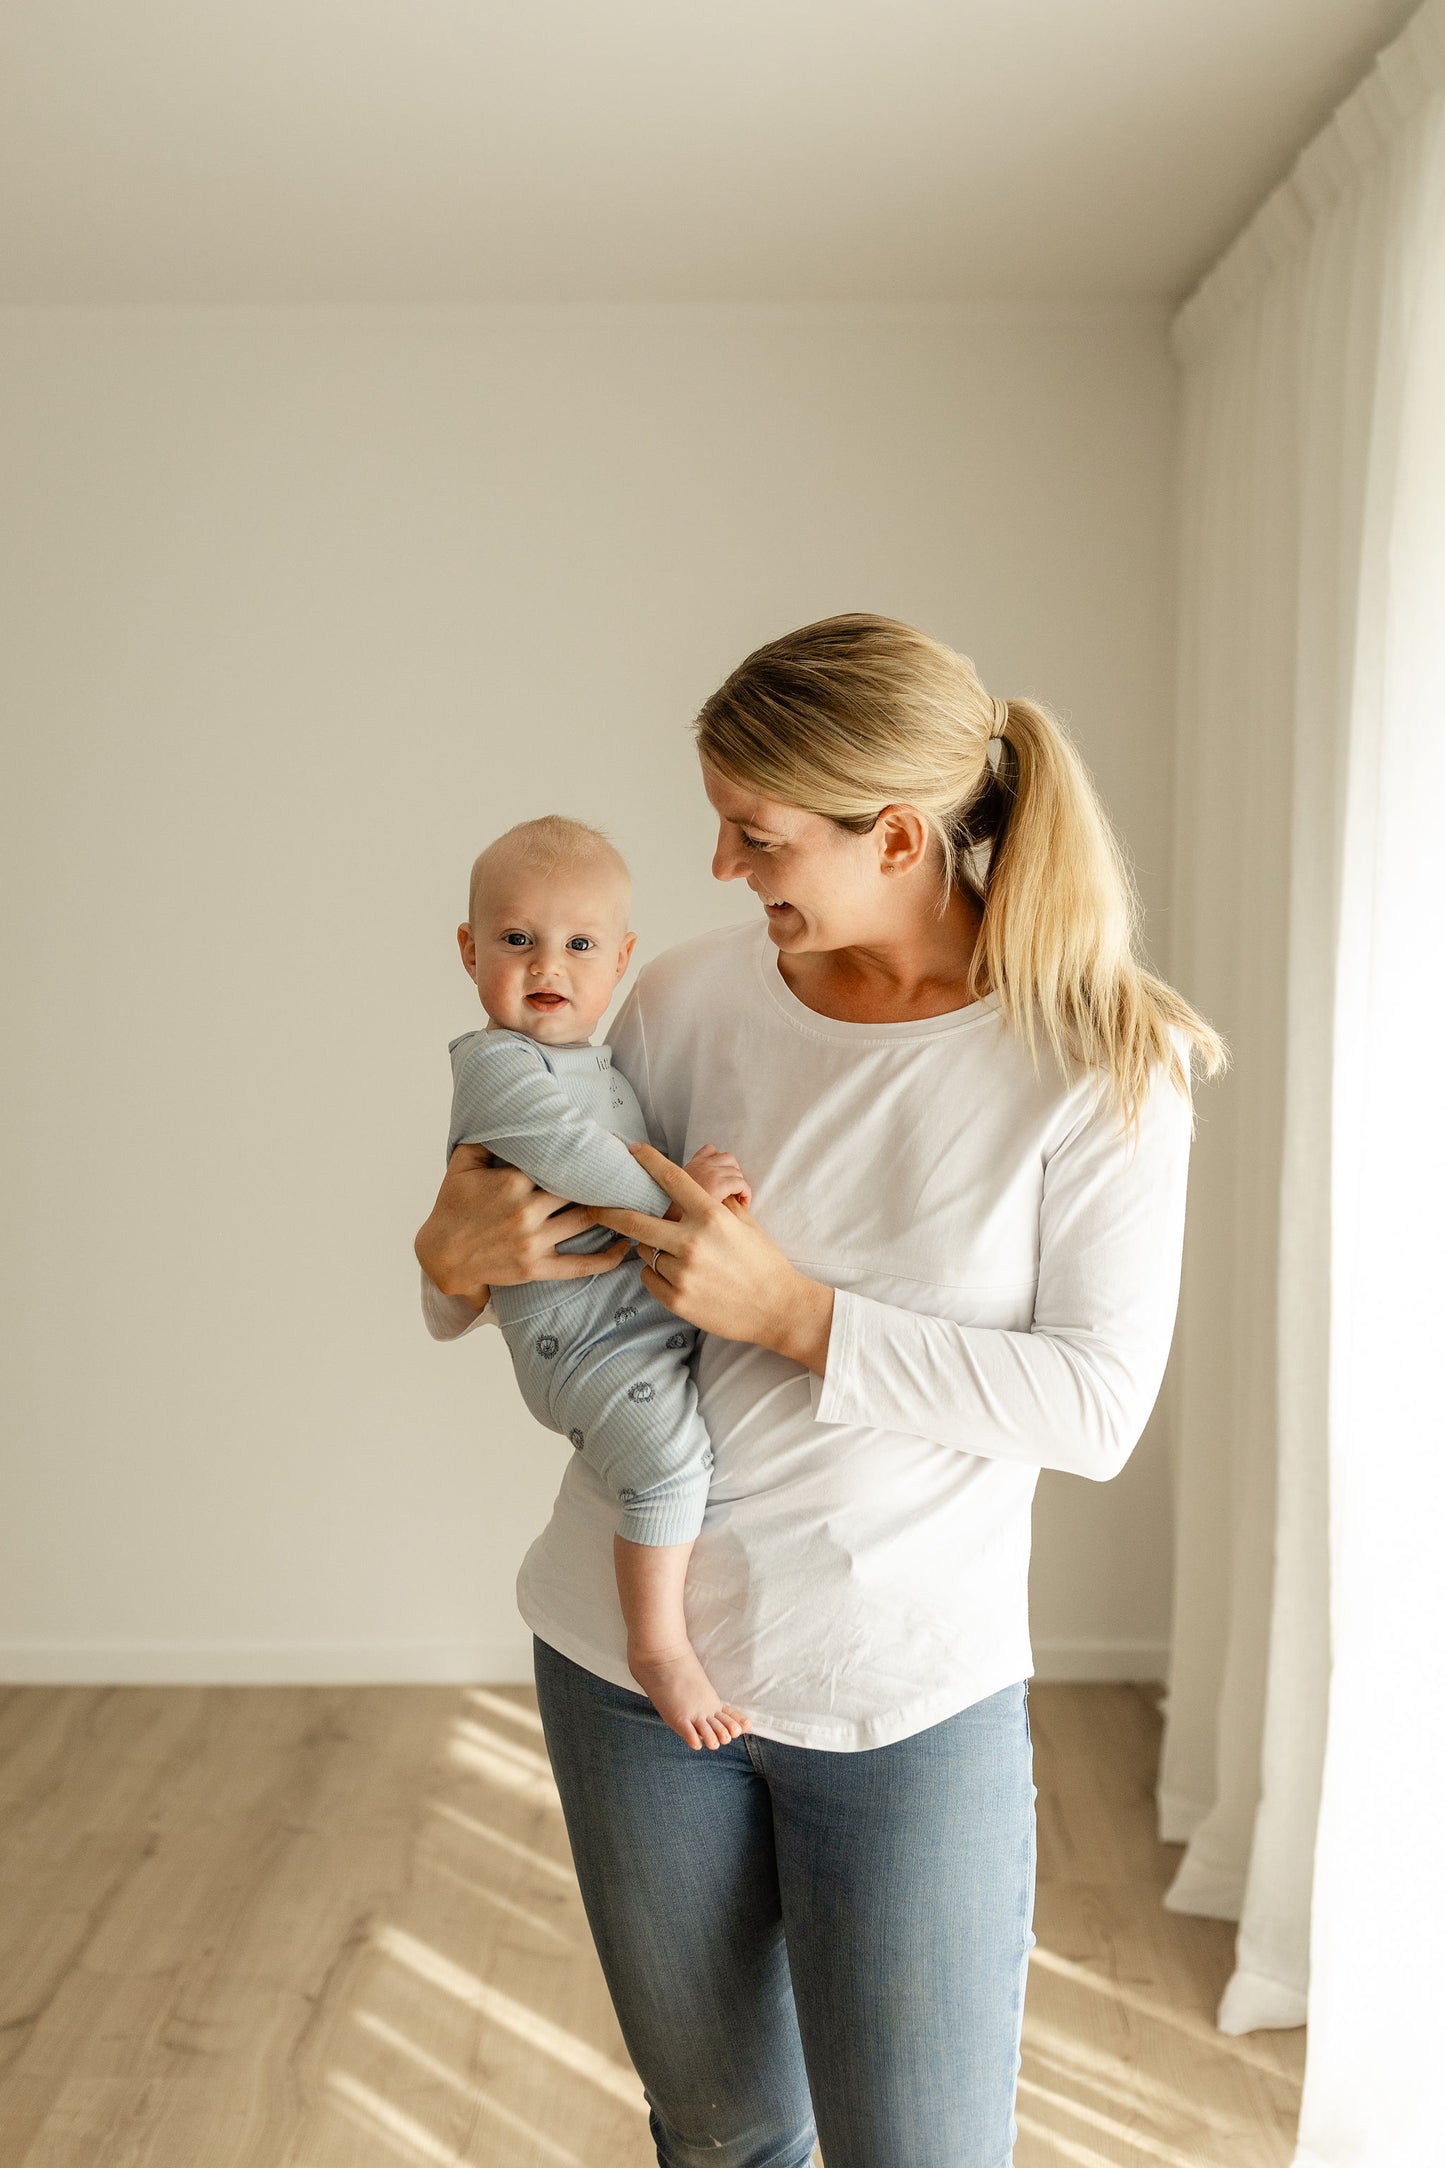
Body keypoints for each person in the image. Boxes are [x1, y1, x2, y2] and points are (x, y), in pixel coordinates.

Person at [415, 613, 1225, 2168]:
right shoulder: (690, 1000)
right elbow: (528, 1270)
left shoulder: (1099, 1062)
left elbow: (1096, 1410)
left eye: (756, 833)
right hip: (624, 1668)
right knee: (721, 2144)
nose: (719, 867)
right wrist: (449, 1257)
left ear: (900, 835)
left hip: (905, 1698)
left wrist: (794, 1314)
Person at [444, 812, 753, 1750]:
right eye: (516, 941)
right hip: (574, 1344)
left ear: (620, 960)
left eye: (578, 945)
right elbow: (580, 1163)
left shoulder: (598, 1065)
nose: (548, 967)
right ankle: (658, 1646)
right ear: (468, 951)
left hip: (623, 1323)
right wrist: (686, 1198)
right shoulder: (494, 1065)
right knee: (666, 1465)